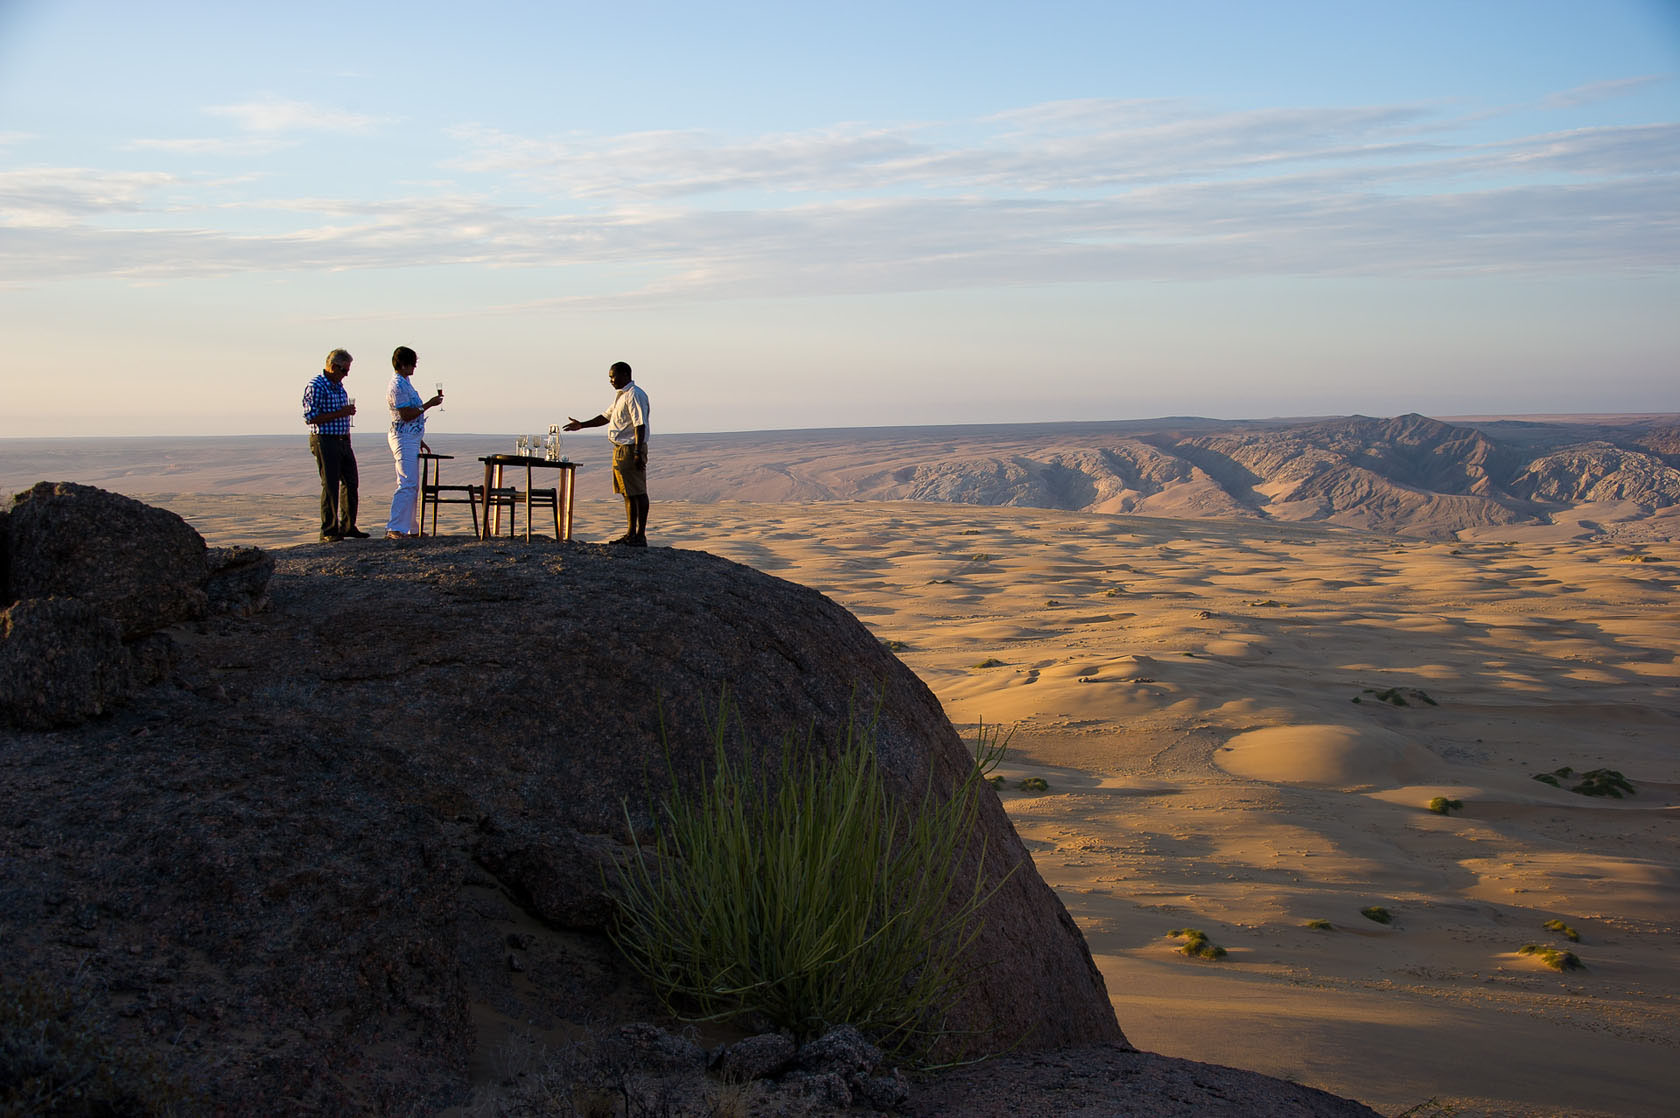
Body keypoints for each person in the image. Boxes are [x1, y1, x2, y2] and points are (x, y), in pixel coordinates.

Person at [565, 360, 651, 546]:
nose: (611, 380)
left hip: (630, 447)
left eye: (613, 376)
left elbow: (640, 424)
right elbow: (606, 417)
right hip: (620, 449)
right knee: (627, 492)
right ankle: (631, 534)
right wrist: (582, 425)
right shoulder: (621, 396)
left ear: (625, 375)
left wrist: (637, 452)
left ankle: (639, 535)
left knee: (638, 491)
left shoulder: (634, 395)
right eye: (610, 377)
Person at [302, 348, 367, 541]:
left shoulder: (338, 386)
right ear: (332, 366)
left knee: (351, 482)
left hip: (342, 439)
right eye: (344, 370)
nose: (346, 374)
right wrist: (342, 413)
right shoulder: (316, 386)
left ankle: (348, 526)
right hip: (325, 439)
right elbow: (310, 417)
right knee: (330, 485)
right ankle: (329, 530)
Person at [383, 346, 444, 539]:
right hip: (403, 437)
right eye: (412, 364)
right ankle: (395, 527)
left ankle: (409, 527)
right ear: (403, 364)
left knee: (412, 484)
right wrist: (428, 404)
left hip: (410, 437)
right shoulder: (397, 386)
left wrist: (419, 439)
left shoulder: (405, 383)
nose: (414, 368)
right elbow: (406, 414)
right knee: (406, 482)